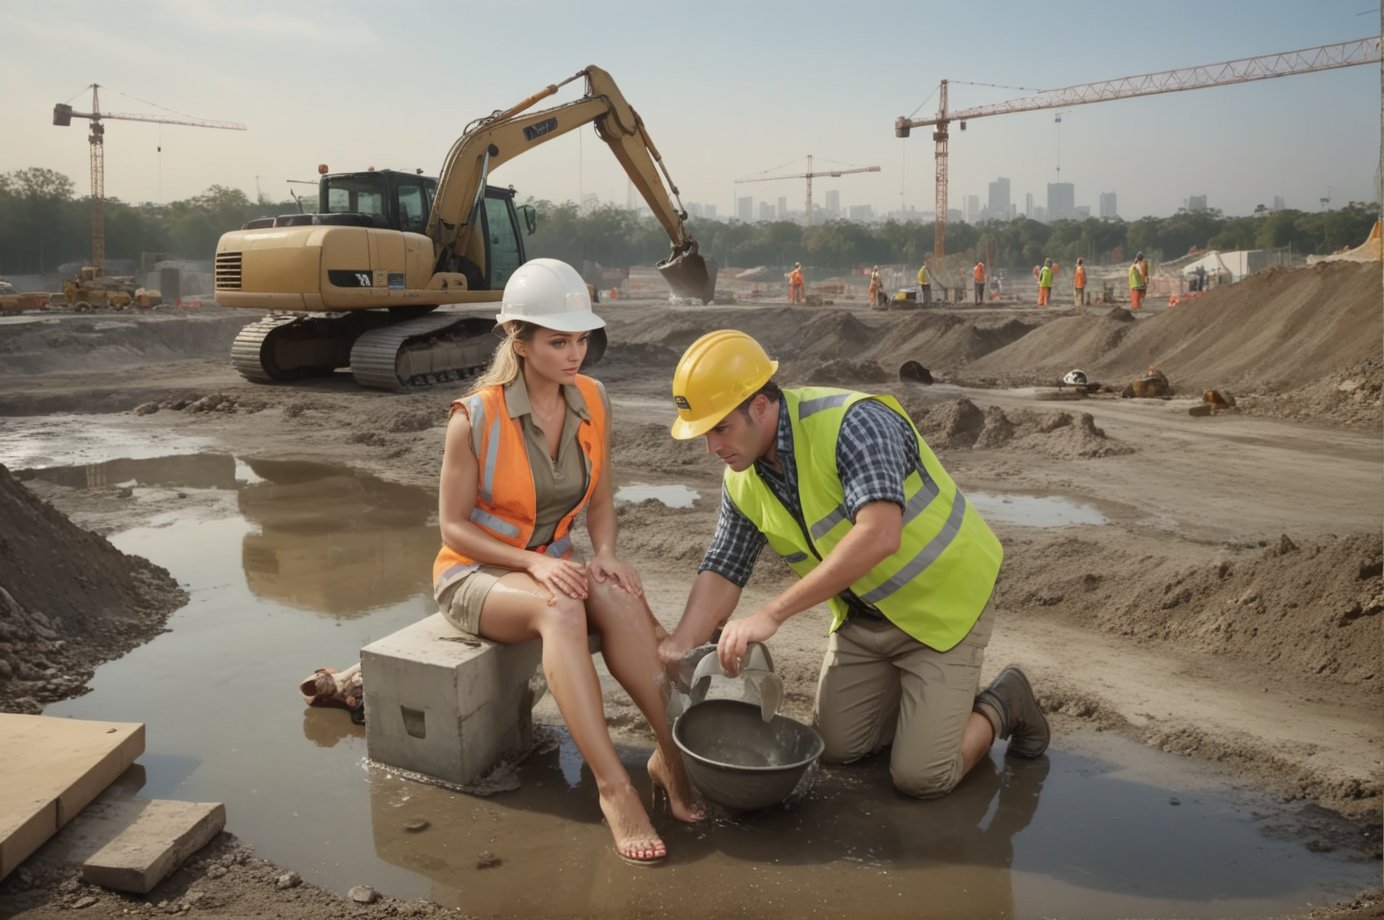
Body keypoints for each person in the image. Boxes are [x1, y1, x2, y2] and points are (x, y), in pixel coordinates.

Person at [656, 330, 1050, 801]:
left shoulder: (854, 423)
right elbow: (724, 565)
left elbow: (880, 534)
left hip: (944, 608)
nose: (711, 447)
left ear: (760, 404)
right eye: (704, 433)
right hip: (864, 621)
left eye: (720, 428)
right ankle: (919, 706)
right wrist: (681, 644)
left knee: (921, 776)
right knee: (836, 749)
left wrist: (772, 614)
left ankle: (1005, 701)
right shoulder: (742, 479)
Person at [433, 258, 703, 865]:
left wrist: (604, 554)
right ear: (518, 340)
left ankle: (672, 756)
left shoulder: (593, 399)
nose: (575, 353)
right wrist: (529, 565)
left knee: (620, 594)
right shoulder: (474, 417)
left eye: (581, 339)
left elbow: (602, 500)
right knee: (561, 608)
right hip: (475, 573)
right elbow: (453, 527)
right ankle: (613, 788)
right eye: (559, 341)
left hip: (553, 565)